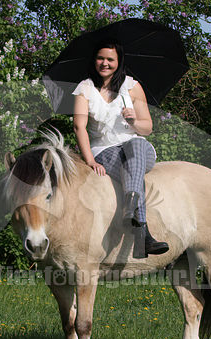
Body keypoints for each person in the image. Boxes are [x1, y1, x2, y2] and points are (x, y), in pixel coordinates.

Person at [72, 38, 169, 259]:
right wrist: (90, 160)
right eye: (100, 58)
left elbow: (147, 129)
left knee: (135, 144)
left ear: (119, 61)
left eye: (110, 59)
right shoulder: (84, 89)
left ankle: (130, 204)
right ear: (94, 60)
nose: (104, 63)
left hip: (137, 148)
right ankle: (143, 236)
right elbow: (79, 127)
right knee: (132, 172)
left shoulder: (132, 87)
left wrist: (133, 121)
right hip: (104, 150)